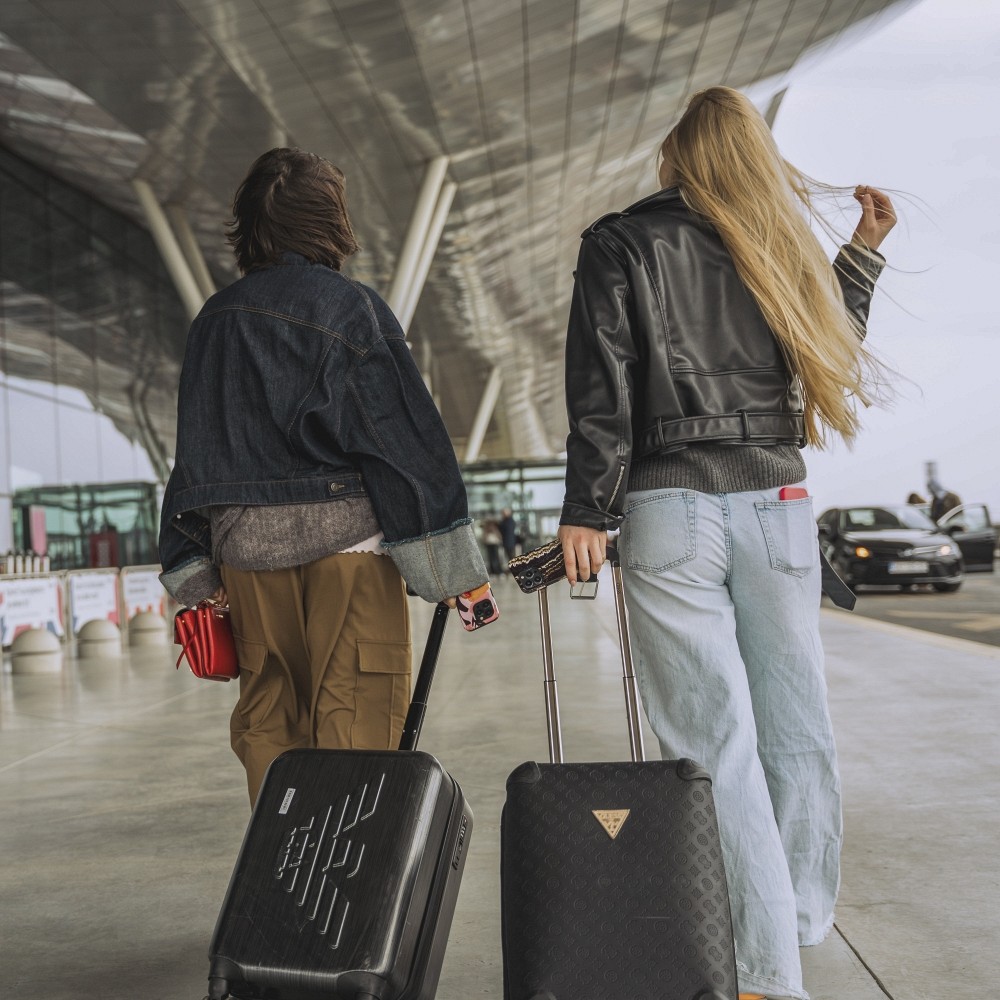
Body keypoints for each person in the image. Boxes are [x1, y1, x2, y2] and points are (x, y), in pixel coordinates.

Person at [557, 87, 896, 1000]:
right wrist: (860, 258)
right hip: (778, 502)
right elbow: (829, 350)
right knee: (797, 722)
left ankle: (761, 968)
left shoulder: (621, 241)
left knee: (715, 737)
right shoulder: (778, 246)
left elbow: (602, 386)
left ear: (678, 155)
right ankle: (800, 918)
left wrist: (587, 509)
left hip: (671, 504)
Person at [159, 147, 488, 805]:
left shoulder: (214, 321)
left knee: (268, 720)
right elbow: (402, 442)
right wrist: (453, 572)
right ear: (329, 222)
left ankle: (284, 861)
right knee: (357, 714)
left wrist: (190, 565)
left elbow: (196, 454)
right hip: (349, 553)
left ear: (249, 226)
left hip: (247, 555)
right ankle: (344, 866)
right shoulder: (350, 309)